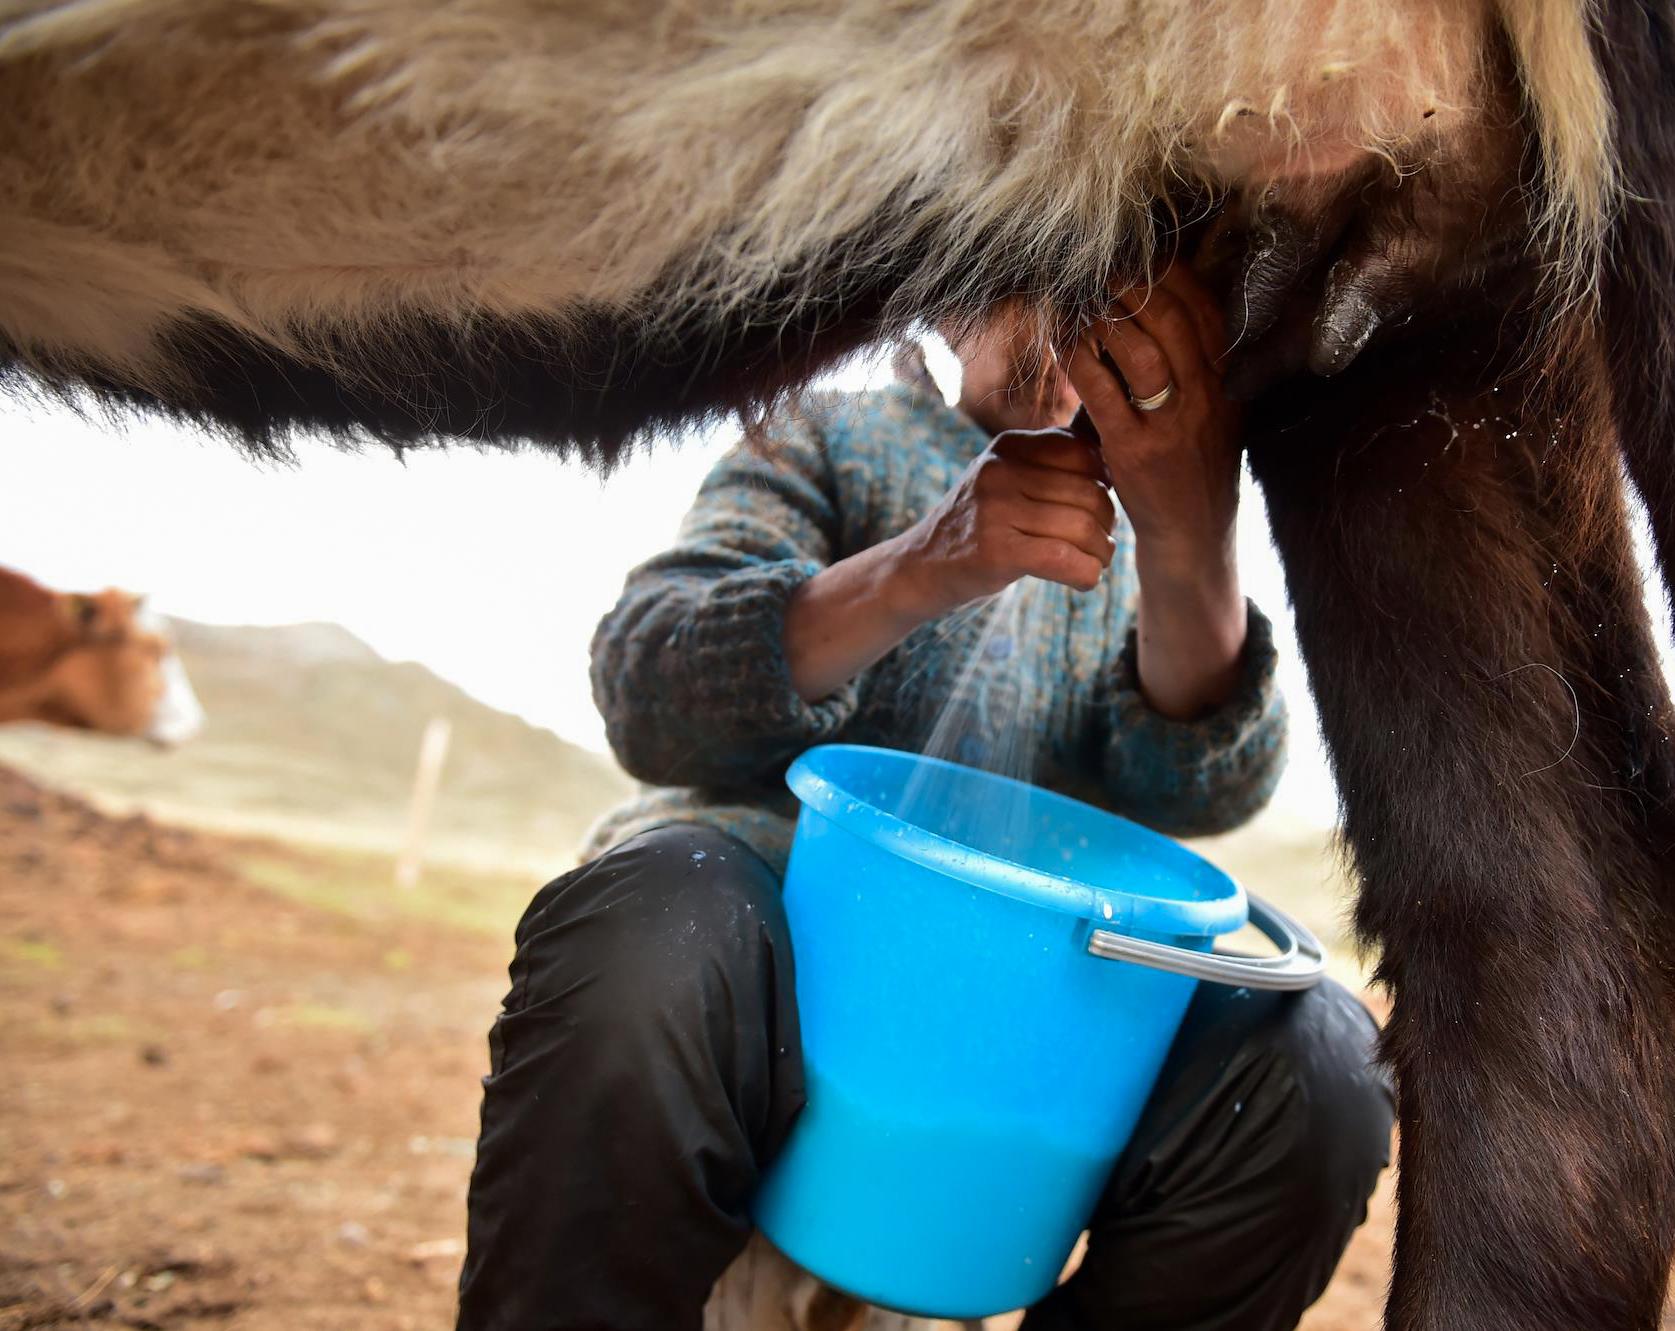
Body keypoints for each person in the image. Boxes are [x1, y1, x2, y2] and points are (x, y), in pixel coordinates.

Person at [459, 264, 1394, 1331]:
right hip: (776, 939)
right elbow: (651, 686)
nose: (1084, 331)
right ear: (943, 287)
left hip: (1027, 1005)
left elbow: (1202, 780)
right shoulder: (823, 434)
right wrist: (926, 561)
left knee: (1312, 1063)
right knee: (650, 936)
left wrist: (1189, 533)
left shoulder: (1145, 532)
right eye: (1040, 283)